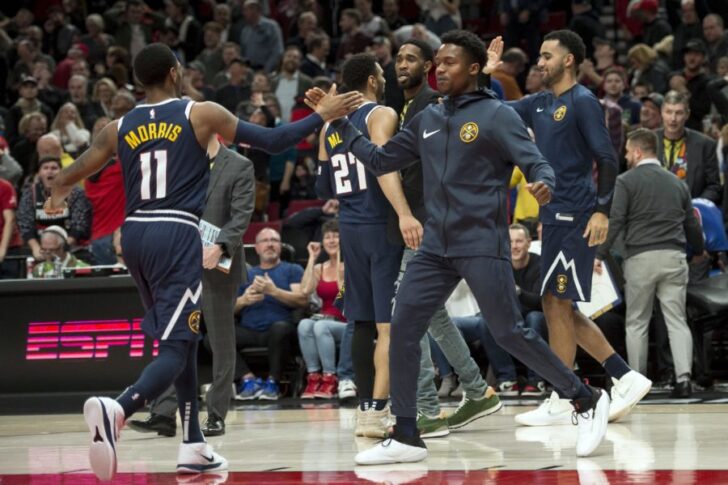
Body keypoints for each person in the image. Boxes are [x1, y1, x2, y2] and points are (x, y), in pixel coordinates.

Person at [45, 42, 360, 480]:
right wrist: (321, 116)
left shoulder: (118, 125)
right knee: (177, 345)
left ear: (139, 81)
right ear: (175, 72)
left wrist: (58, 189)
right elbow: (269, 140)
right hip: (176, 233)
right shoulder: (200, 113)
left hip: (134, 235)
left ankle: (193, 443)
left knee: (185, 338)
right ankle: (119, 408)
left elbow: (80, 166)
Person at [322, 29, 611, 465]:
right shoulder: (427, 118)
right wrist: (340, 122)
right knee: (402, 328)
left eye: (449, 62)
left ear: (474, 68)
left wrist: (544, 183)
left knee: (509, 332)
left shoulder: (496, 115)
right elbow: (381, 161)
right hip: (435, 246)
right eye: (437, 61)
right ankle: (405, 433)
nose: (439, 68)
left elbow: (537, 162)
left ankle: (585, 399)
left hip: (480, 242)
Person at [486, 30, 651, 428]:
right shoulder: (541, 103)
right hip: (552, 215)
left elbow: (607, 158)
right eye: (539, 56)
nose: (539, 63)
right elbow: (495, 109)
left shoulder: (582, 102)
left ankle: (574, 392)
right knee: (556, 303)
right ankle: (616, 378)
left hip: (576, 214)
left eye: (546, 56)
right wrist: (487, 76)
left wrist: (601, 212)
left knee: (557, 303)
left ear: (569, 61)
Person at [392, 38, 500, 440]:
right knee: (431, 314)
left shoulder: (432, 105)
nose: (404, 64)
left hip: (427, 224)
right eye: (399, 58)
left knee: (410, 313)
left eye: (412, 59)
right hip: (422, 225)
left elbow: (486, 114)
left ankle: (427, 410)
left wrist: (487, 74)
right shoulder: (407, 105)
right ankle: (476, 389)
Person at [128, 136, 255, 437]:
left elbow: (241, 215)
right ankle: (163, 413)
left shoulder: (239, 165)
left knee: (222, 343)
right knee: (177, 338)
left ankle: (216, 414)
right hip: (180, 264)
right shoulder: (179, 165)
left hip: (217, 265)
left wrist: (221, 246)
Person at [316, 53, 409, 439]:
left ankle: (364, 410)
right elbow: (385, 166)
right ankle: (376, 413)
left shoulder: (328, 128)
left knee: (361, 322)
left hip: (350, 228)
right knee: (388, 327)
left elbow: (323, 189)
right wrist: (405, 212)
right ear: (373, 79)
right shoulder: (381, 114)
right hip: (380, 226)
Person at [596, 129, 704, 399]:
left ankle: (637, 384)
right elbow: (692, 222)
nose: (625, 156)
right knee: (677, 320)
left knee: (637, 323)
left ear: (637, 152)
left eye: (627, 152)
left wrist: (598, 255)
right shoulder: (677, 182)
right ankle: (684, 379)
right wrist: (700, 250)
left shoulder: (626, 181)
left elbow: (616, 220)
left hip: (641, 259)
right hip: (673, 257)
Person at [233, 227, 307, 400]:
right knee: (214, 338)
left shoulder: (293, 269)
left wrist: (273, 291)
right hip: (249, 331)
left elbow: (302, 300)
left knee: (280, 328)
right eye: (264, 241)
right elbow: (228, 309)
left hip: (279, 331)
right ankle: (248, 380)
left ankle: (273, 384)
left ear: (280, 246)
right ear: (257, 248)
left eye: (274, 240)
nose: (270, 244)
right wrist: (244, 300)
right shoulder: (245, 274)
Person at [298, 220, 351, 399]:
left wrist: (340, 266)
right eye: (327, 237)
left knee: (320, 327)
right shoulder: (320, 268)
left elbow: (343, 298)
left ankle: (331, 377)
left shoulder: (350, 266)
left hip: (345, 324)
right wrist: (312, 259)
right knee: (304, 325)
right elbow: (305, 290)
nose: (331, 240)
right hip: (323, 320)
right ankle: (314, 377)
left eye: (336, 236)